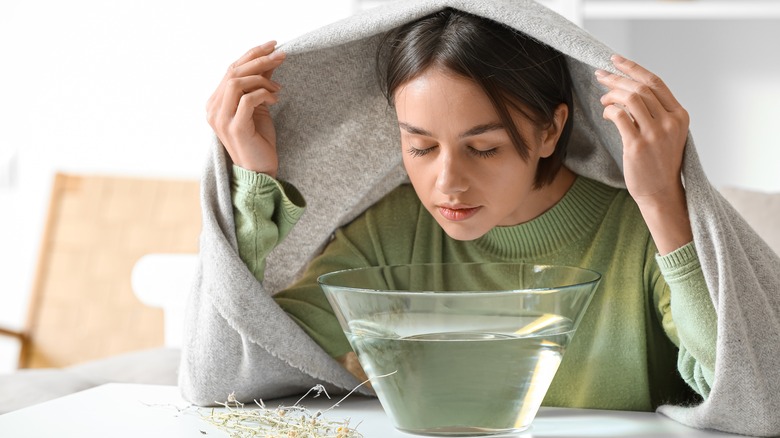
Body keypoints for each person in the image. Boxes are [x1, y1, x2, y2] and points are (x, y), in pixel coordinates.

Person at [181, 2, 780, 436]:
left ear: (551, 129)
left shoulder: (636, 233)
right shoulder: (392, 232)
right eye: (419, 146)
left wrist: (662, 204)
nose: (446, 183)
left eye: (484, 147)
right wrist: (252, 187)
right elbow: (227, 374)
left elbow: (751, 395)